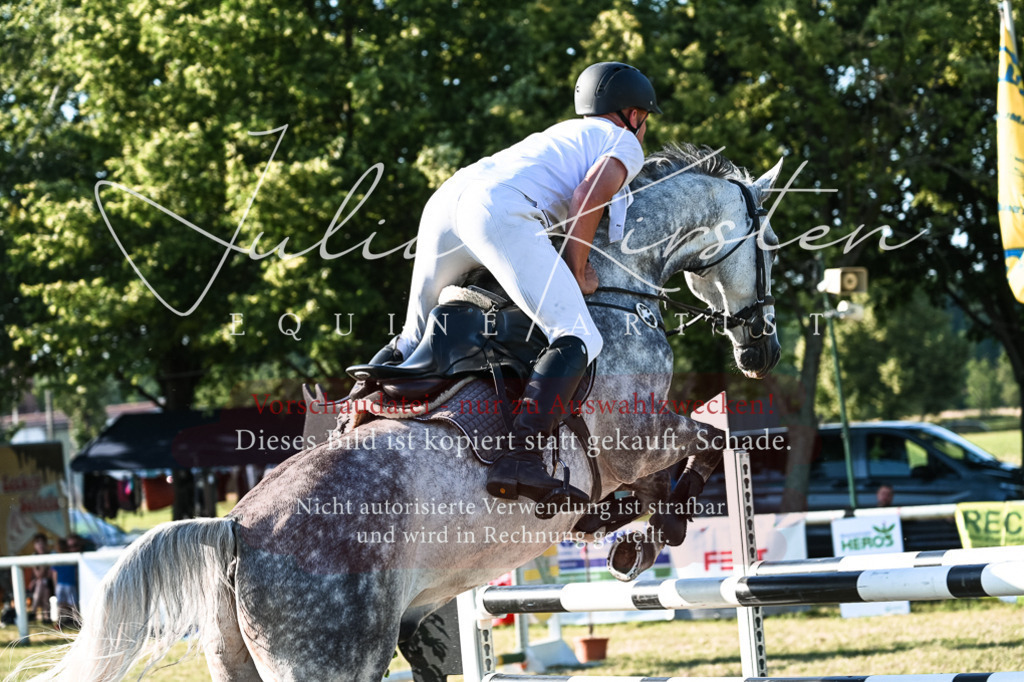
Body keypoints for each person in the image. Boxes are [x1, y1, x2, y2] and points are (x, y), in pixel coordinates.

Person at [363, 62, 660, 505]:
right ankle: (520, 457)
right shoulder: (622, 142)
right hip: (494, 209)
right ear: (633, 114)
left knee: (413, 333)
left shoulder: (561, 134)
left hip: (446, 201)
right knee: (577, 334)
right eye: (646, 120)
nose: (644, 129)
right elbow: (586, 197)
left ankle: (352, 415)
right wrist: (577, 271)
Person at [28, 533, 53, 624]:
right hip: (38, 585)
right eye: (38, 543)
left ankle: (33, 612)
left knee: (43, 583)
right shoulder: (33, 557)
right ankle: (46, 616)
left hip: (50, 584)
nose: (40, 545)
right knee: (42, 583)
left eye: (42, 543)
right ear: (34, 545)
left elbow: (50, 575)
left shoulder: (51, 555)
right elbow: (38, 574)